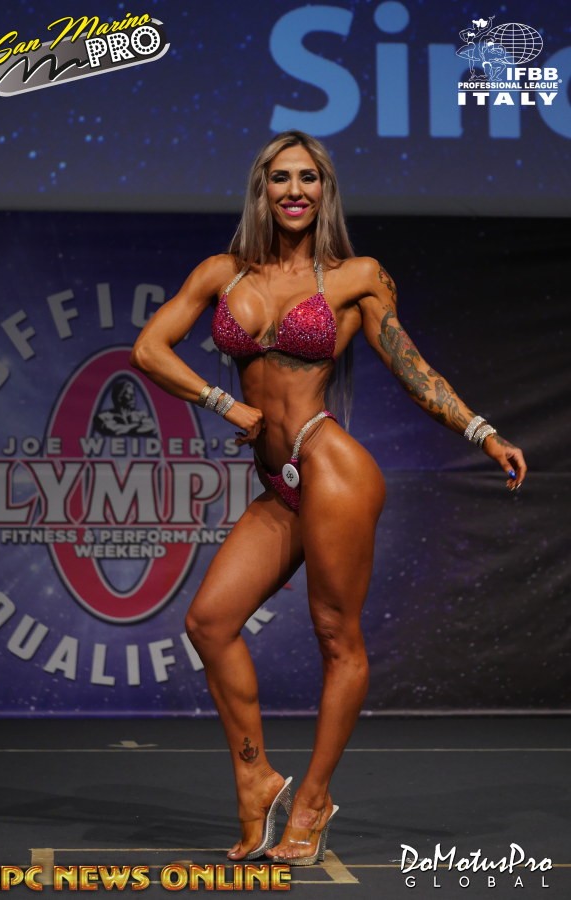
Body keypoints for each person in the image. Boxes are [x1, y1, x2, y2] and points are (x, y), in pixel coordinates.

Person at [130, 130, 527, 865]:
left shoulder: (357, 277)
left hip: (331, 467)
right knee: (209, 623)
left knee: (336, 637)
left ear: (325, 190)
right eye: (281, 178)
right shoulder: (222, 272)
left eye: (308, 178)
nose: (294, 191)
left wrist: (481, 432)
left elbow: (412, 368)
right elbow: (148, 349)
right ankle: (257, 781)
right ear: (262, 189)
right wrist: (223, 401)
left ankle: (312, 800)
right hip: (278, 483)